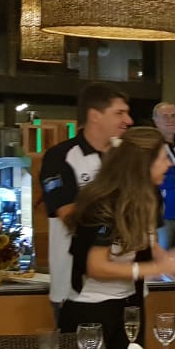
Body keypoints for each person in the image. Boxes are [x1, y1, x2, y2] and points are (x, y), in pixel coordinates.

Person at [62, 127, 175, 349]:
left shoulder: (148, 198)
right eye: (163, 159)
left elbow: (148, 243)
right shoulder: (103, 204)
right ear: (143, 165)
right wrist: (154, 268)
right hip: (92, 309)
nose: (168, 165)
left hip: (129, 305)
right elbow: (96, 266)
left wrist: (172, 263)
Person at [41, 82, 132, 321]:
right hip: (78, 292)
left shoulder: (127, 157)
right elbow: (70, 217)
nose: (128, 120)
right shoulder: (61, 157)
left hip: (128, 288)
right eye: (119, 113)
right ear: (95, 116)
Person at [153, 102, 175, 250]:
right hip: (162, 215)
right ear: (156, 121)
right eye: (165, 116)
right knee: (162, 257)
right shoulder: (152, 147)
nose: (170, 120)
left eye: (173, 116)